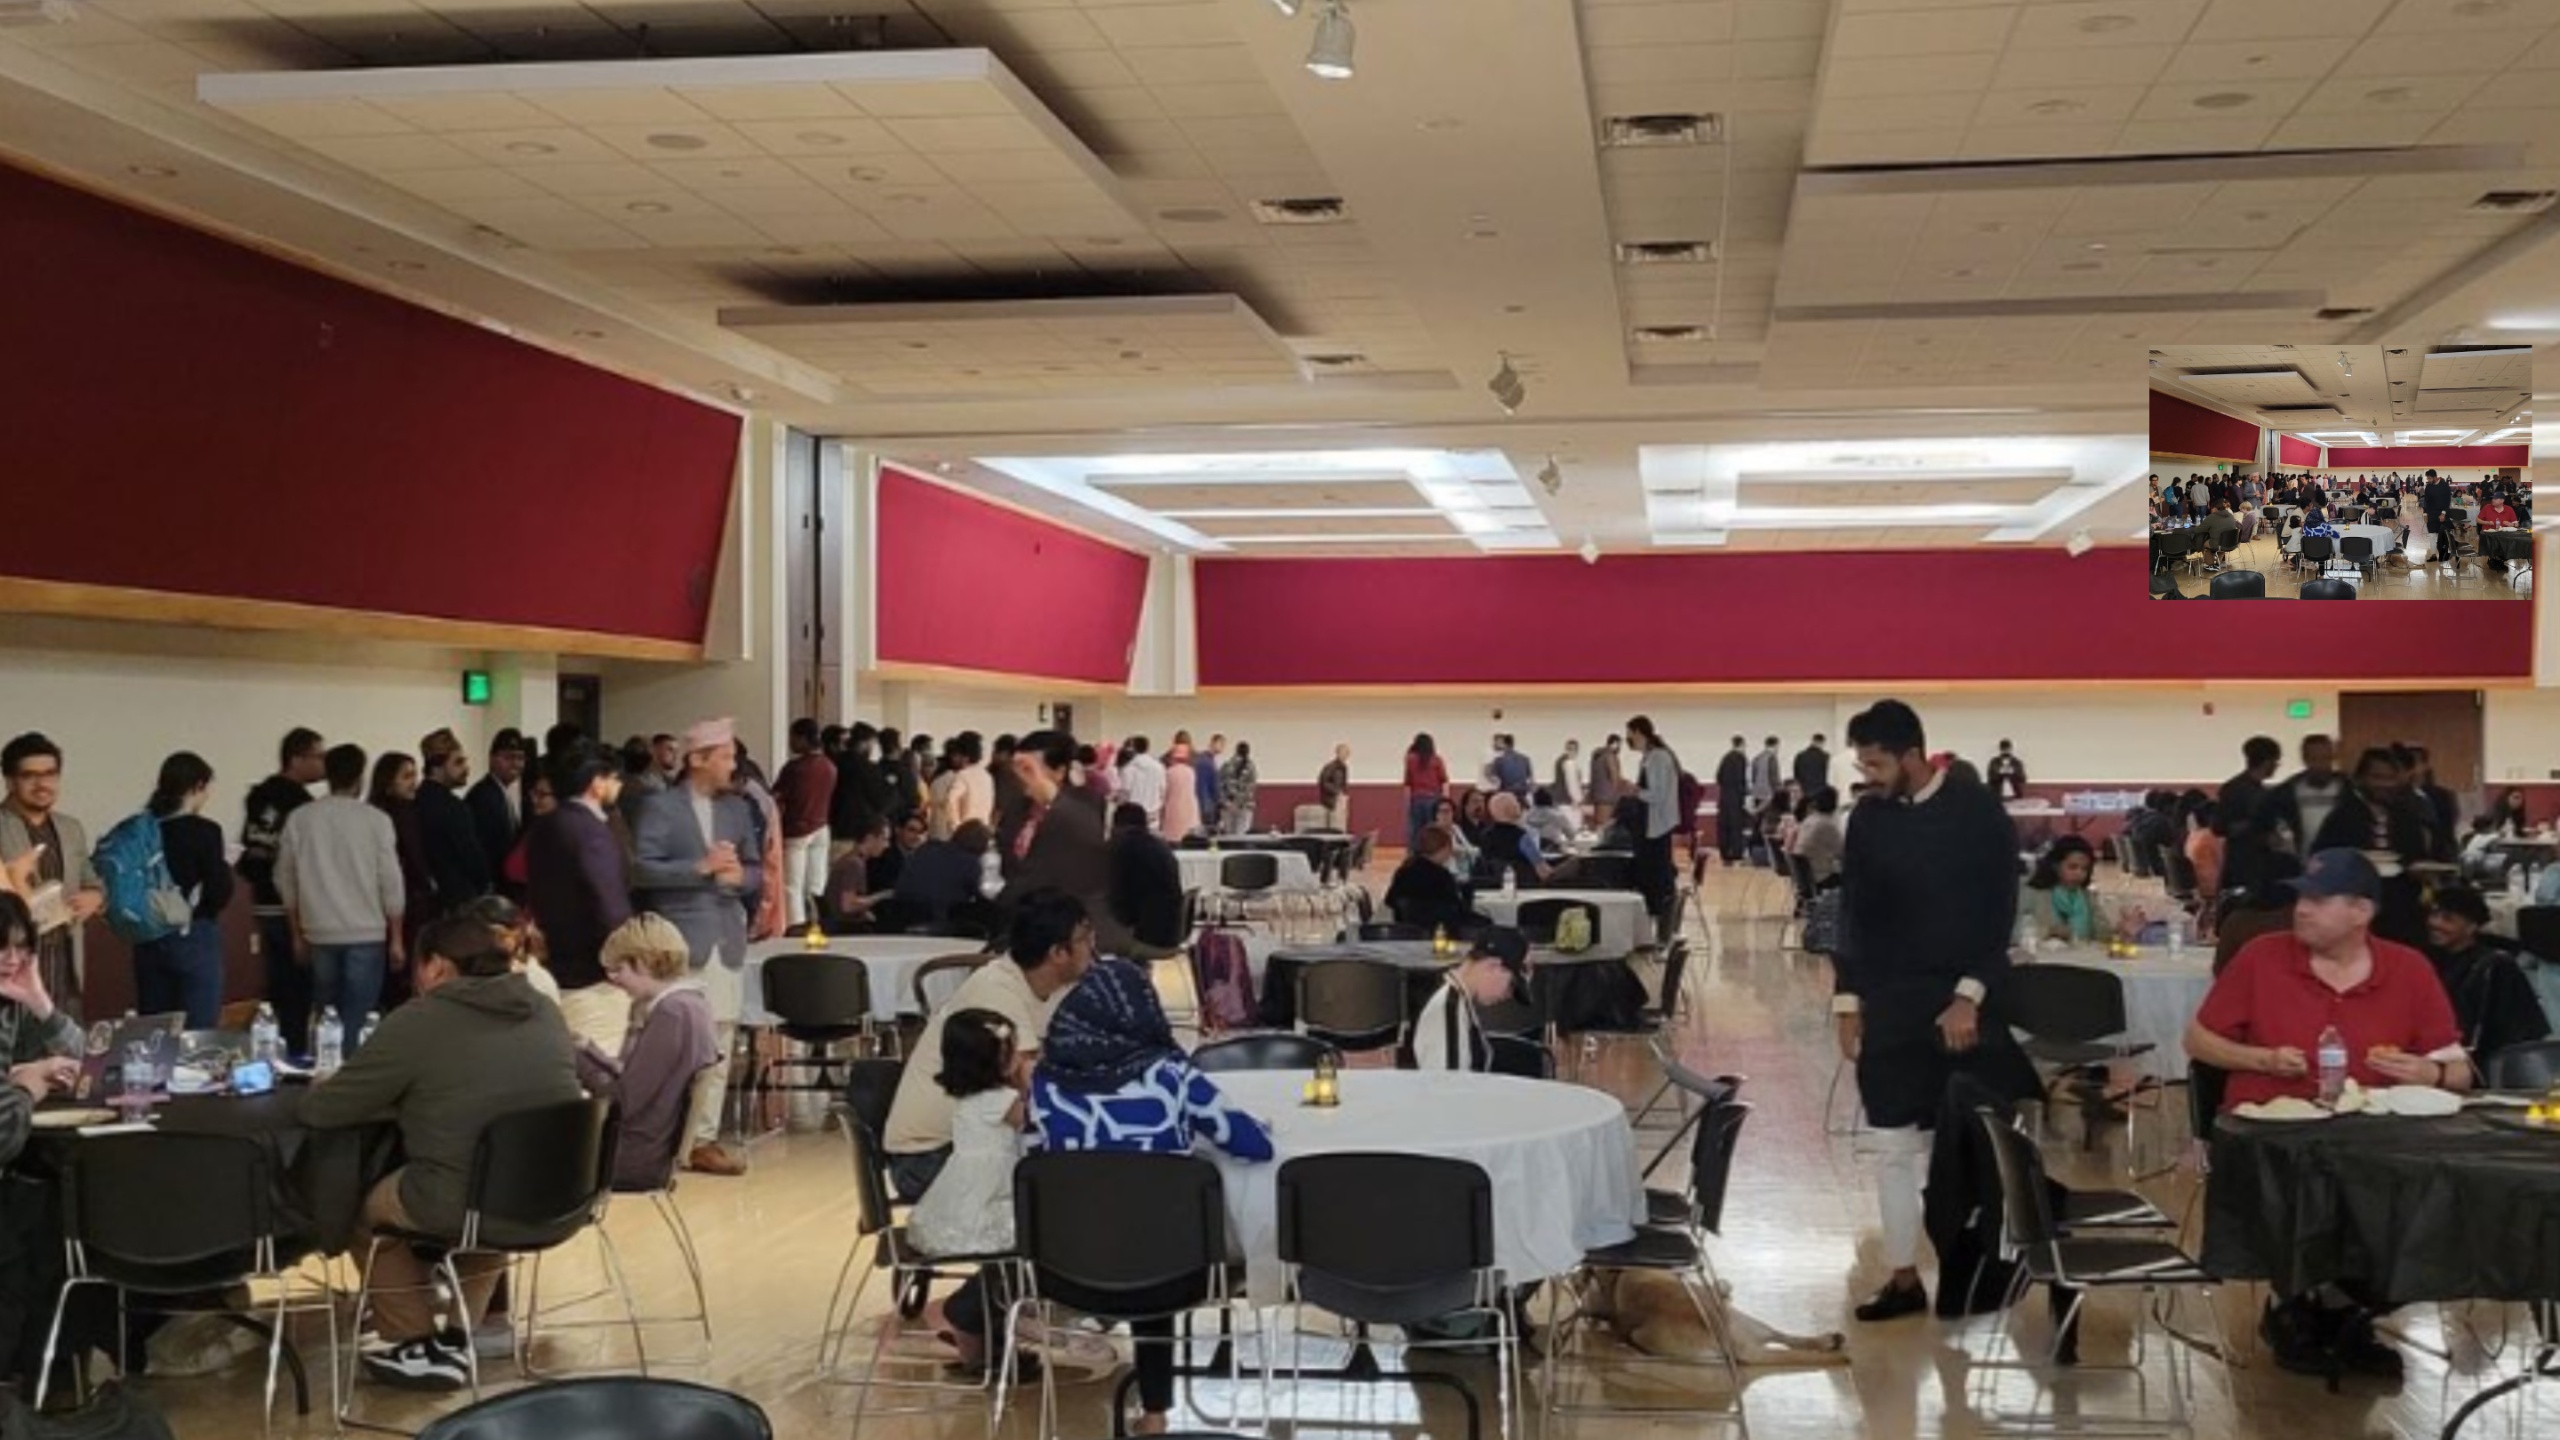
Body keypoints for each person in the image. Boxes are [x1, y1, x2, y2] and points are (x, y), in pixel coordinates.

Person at [2184, 849, 2470, 1380]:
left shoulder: (2407, 970)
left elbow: (2459, 1072)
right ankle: (2309, 1306)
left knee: (2429, 1210)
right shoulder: (2263, 957)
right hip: (2275, 1138)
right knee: (2312, 1201)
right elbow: (2198, 1040)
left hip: (2379, 1140)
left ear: (2361, 911)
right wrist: (2261, 1059)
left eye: (2318, 900)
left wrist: (2428, 1074)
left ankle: (2337, 1309)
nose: (2302, 910)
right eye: (2300, 898)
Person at [301, 914, 582, 1390]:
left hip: (462, 1194)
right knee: (492, 1203)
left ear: (434, 967)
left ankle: (411, 1341)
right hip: (556, 1191)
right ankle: (457, 1335)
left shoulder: (422, 1020)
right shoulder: (543, 1008)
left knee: (357, 1206)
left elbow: (324, 1110)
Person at [1832, 700, 2036, 1323]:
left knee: (1969, 1145)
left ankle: (1972, 1272)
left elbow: (1998, 910)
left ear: (1913, 756)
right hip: (1890, 1002)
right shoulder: (1867, 819)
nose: (1867, 775)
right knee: (1891, 1143)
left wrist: (1969, 993)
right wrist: (1847, 1000)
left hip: (1961, 1002)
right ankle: (1900, 1277)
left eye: (1875, 763)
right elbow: (1854, 913)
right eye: (1862, 763)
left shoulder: (1978, 812)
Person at [1026, 957, 1273, 1437]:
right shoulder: (1169, 1076)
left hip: (1063, 1267)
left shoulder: (1044, 1082)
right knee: (1151, 1236)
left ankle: (1152, 1412)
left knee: (1126, 1225)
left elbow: (1037, 1154)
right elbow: (1252, 1145)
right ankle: (1156, 1413)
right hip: (1171, 1273)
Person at [884, 888, 1094, 1198]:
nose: (1093, 947)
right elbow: (1030, 1086)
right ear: (1057, 953)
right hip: (930, 1158)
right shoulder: (996, 991)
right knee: (1068, 1186)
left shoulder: (1055, 986)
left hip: (972, 1145)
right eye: (1085, 938)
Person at [630, 718, 760, 1177]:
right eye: (724, 756)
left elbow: (756, 869)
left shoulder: (738, 810)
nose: (732, 764)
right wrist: (698, 868)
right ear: (697, 759)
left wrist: (741, 878)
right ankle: (663, 1134)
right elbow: (642, 870)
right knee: (674, 1039)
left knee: (721, 1038)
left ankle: (702, 1139)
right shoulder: (659, 807)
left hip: (727, 933)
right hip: (679, 941)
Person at [912, 1008, 1031, 1370]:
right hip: (993, 1195)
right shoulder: (1003, 1101)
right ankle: (968, 1316)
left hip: (963, 1196)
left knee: (1007, 1263)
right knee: (1023, 1252)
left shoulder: (968, 1099)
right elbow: (1035, 1124)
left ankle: (978, 1349)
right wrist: (1026, 1083)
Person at [574, 914, 720, 1191]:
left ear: (642, 963)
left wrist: (578, 1059)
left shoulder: (672, 1013)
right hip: (650, 1151)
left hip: (633, 1158)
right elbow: (638, 1080)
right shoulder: (693, 1004)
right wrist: (589, 1049)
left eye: (618, 970)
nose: (613, 980)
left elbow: (625, 1100)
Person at [277, 744, 406, 1052]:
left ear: (328, 776)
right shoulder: (376, 820)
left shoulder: (301, 819)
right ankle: (351, 1078)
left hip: (318, 931)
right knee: (357, 1017)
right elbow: (390, 881)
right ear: (360, 777)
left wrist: (296, 934)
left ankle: (323, 1072)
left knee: (324, 1015)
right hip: (366, 932)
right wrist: (397, 936)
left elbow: (285, 879)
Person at [527, 744, 635, 1054]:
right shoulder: (591, 831)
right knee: (597, 1072)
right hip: (594, 972)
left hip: (555, 960)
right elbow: (608, 902)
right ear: (597, 782)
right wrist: (625, 959)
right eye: (614, 778)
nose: (618, 786)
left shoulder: (545, 825)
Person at [997, 732, 1133, 958]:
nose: (1019, 777)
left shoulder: (1085, 805)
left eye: (1028, 769)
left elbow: (1083, 854)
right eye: (1017, 768)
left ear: (1059, 771)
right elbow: (1011, 867)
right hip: (1027, 924)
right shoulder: (1017, 810)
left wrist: (1051, 799)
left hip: (1078, 929)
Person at [0, 734, 102, 1023]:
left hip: (65, 967)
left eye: (49, 774)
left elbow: (90, 879)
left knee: (64, 1054)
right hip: (12, 965)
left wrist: (95, 897)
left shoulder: (71, 828)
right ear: (9, 781)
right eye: (29, 776)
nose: (41, 784)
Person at [239, 727, 325, 1059]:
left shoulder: (259, 796)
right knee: (297, 985)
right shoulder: (300, 805)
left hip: (263, 902)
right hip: (292, 907)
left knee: (277, 981)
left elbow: (253, 847)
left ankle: (278, 1047)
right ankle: (296, 1050)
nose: (323, 764)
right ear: (296, 758)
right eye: (318, 756)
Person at [131, 752, 234, 1028]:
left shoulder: (142, 830)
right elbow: (218, 890)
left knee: (155, 1029)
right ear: (197, 787)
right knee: (197, 1030)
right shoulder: (206, 831)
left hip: (147, 937)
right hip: (193, 934)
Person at [2309, 746, 2444, 949]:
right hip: (2353, 902)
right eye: (2377, 777)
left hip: (2399, 904)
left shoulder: (2406, 815)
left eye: (2390, 778)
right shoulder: (2342, 816)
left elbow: (2418, 856)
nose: (2385, 784)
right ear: (2360, 779)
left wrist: (2420, 871)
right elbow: (2320, 858)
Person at [1, 890, 85, 1168]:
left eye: (22, 947)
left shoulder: (13, 999)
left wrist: (39, 1002)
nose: (12, 959)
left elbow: (85, 1058)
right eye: (1, 947)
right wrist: (26, 1088)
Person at [2423, 885, 2552, 1064]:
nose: (2435, 923)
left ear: (2471, 927)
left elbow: (2511, 1033)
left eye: (2448, 919)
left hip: (2481, 1063)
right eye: (2433, 915)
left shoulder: (2494, 966)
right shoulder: (2425, 960)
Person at [367, 752, 434, 964]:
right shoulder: (403, 814)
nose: (413, 783)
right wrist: (430, 883)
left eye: (415, 776)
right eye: (406, 776)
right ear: (388, 781)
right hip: (409, 901)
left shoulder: (373, 813)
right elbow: (415, 859)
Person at [772, 718, 838, 927]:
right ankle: (817, 922)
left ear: (802, 738)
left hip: (797, 828)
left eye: (793, 737)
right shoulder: (829, 766)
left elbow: (776, 795)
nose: (791, 742)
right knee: (816, 883)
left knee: (792, 885)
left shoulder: (795, 768)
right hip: (822, 826)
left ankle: (796, 926)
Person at [1107, 802, 1184, 957]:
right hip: (1170, 932)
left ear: (1117, 825)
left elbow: (1117, 900)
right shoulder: (1160, 846)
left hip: (1145, 936)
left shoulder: (1120, 848)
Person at [1626, 717, 1683, 926]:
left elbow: (1657, 794)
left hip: (1656, 825)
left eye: (1630, 734)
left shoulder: (1658, 757)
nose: (1628, 739)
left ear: (1639, 733)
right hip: (1651, 824)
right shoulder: (1650, 756)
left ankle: (1661, 921)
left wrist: (1634, 790)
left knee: (1656, 875)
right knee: (1654, 873)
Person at [2019, 836, 2120, 945]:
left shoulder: (2088, 898)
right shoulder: (2033, 894)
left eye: (2084, 869)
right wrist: (2050, 932)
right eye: (2072, 867)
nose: (2079, 874)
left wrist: (2121, 932)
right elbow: (2018, 932)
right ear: (2056, 866)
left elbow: (2104, 937)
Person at [2260, 734, 2346, 861]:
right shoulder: (2284, 794)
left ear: (2333, 757)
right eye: (2314, 759)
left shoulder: (2349, 790)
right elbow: (2263, 828)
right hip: (2299, 865)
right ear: (2305, 759)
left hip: (2341, 864)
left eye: (2325, 758)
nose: (2320, 765)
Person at [465, 730, 529, 892]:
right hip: (493, 885)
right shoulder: (482, 795)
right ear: (492, 759)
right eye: (508, 757)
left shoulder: (502, 793)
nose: (515, 764)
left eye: (520, 758)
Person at [1385, 825, 1481, 935]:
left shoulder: (1404, 871)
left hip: (1406, 934)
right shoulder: (1442, 876)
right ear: (1443, 849)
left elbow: (1390, 900)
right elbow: (1456, 911)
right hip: (1442, 934)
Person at [1476, 792, 1550, 888]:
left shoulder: (1485, 835)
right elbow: (1543, 871)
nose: (1519, 805)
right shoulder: (1522, 836)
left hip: (1495, 884)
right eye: (1516, 802)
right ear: (1510, 808)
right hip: (1528, 884)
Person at [1402, 734, 1449, 850]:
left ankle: (1414, 855)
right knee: (1433, 830)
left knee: (1416, 830)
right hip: (1433, 799)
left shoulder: (1411, 760)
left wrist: (1408, 801)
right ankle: (1432, 852)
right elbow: (1444, 780)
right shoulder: (1437, 760)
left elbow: (1408, 782)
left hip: (1417, 799)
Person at [1714, 735, 1749, 863]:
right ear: (1742, 744)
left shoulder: (1726, 757)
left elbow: (1718, 777)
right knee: (1736, 826)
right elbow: (1742, 779)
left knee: (1724, 825)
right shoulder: (1741, 758)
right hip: (1736, 797)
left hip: (1724, 796)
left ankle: (1724, 852)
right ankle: (1736, 852)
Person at [1216, 741, 1259, 837]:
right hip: (1244, 807)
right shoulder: (1251, 767)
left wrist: (1225, 802)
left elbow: (1219, 785)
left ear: (1236, 751)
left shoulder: (1226, 765)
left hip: (1228, 806)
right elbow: (1251, 789)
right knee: (1240, 837)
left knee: (1228, 836)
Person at [1522, 787, 1577, 852]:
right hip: (1551, 849)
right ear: (1551, 800)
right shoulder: (1557, 815)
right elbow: (1571, 834)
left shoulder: (1527, 815)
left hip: (1531, 849)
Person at [1587, 734, 1625, 827]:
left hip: (1597, 797)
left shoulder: (1596, 756)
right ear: (1615, 744)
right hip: (1609, 798)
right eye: (1619, 745)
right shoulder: (1609, 756)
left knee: (1599, 826)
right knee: (1606, 827)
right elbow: (1614, 778)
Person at [1486, 734, 1533, 801]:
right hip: (1522, 793)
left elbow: (1493, 778)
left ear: (1504, 744)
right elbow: (1530, 778)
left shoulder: (1499, 760)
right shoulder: (1525, 759)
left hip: (1506, 794)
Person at [1317, 744, 1353, 833]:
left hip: (1340, 799)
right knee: (1334, 826)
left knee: (1342, 825)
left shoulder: (1344, 767)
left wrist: (1344, 795)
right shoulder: (1330, 767)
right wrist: (1337, 792)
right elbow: (1323, 782)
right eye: (1344, 752)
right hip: (1331, 800)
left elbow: (1343, 783)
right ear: (1337, 753)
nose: (1346, 755)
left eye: (1347, 753)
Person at [1196, 734, 1227, 834]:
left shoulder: (1201, 759)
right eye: (1221, 744)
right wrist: (1220, 801)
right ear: (1213, 743)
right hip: (1208, 803)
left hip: (1199, 801)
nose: (1223, 747)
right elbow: (1214, 786)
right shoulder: (1208, 763)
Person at [1748, 736, 1781, 817]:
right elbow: (1773, 776)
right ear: (1775, 745)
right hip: (1768, 793)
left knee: (1758, 816)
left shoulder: (1757, 758)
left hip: (1757, 792)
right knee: (1768, 816)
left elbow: (1753, 776)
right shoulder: (1772, 758)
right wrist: (1777, 790)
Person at [1548, 739, 1582, 816]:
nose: (1572, 752)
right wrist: (1576, 799)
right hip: (1568, 801)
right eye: (1570, 749)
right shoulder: (1569, 763)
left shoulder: (1560, 761)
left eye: (1573, 749)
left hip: (1559, 799)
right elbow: (1572, 783)